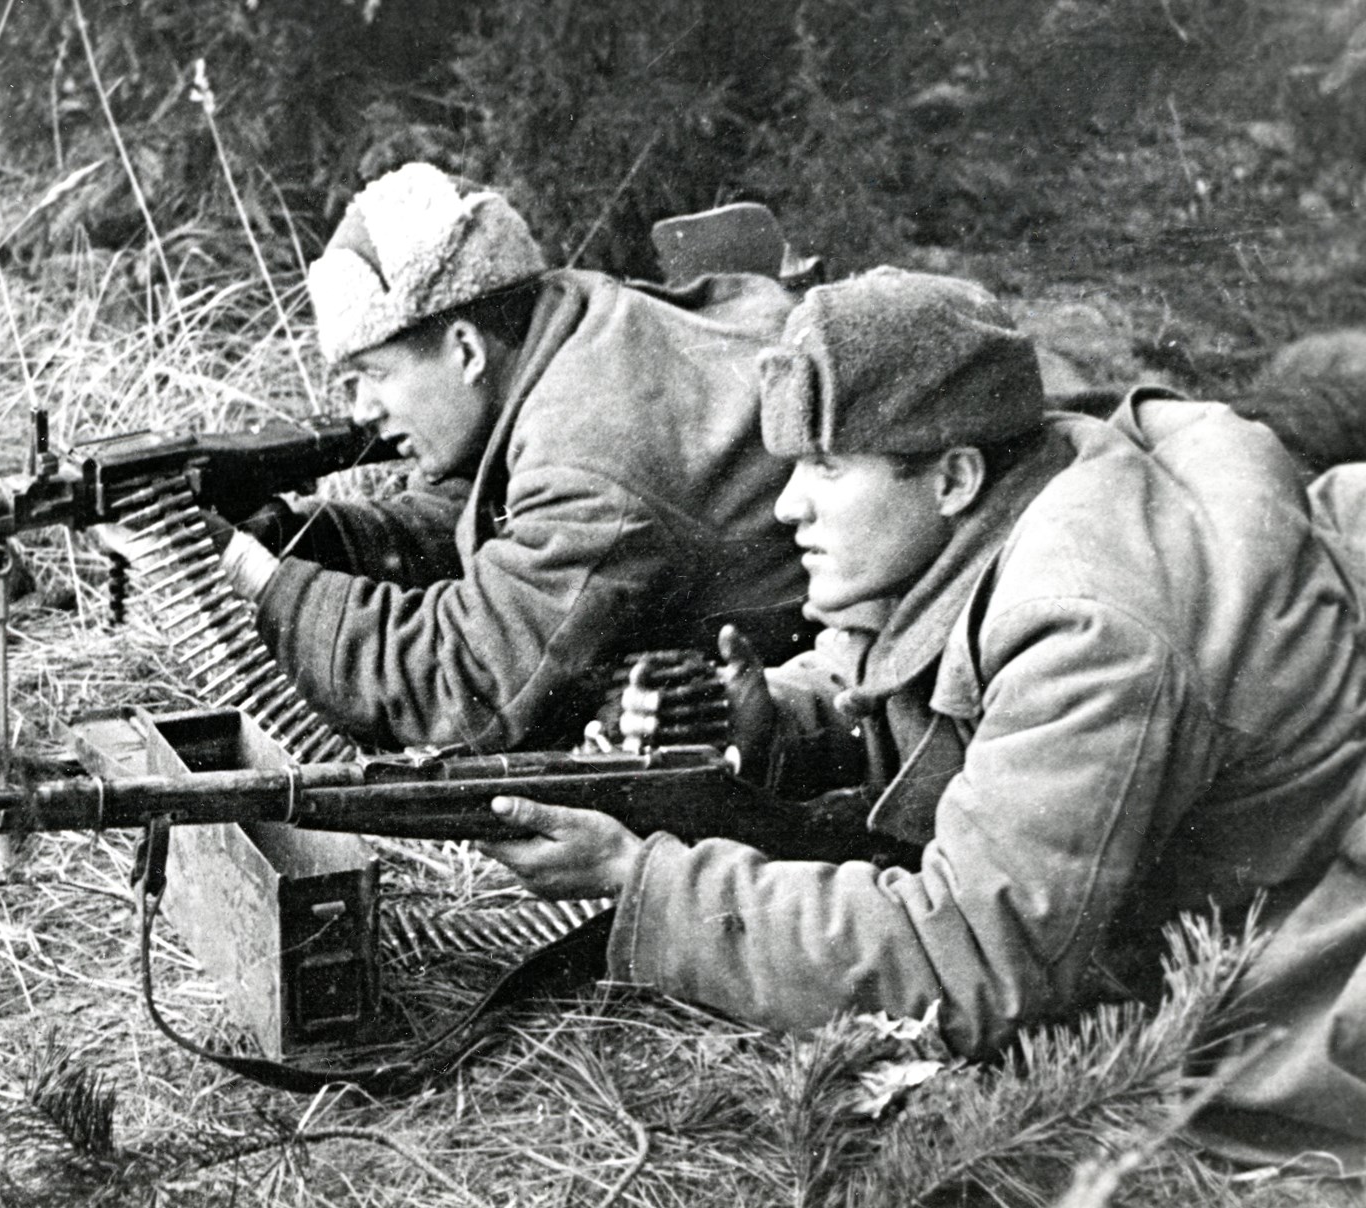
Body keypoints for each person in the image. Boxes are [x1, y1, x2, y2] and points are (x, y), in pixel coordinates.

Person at [477, 266, 1366, 1170]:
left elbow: (972, 964)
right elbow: (924, 657)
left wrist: (645, 883)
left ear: (952, 477)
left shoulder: (1093, 626)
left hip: (1316, 944)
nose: (788, 504)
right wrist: (775, 722)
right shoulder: (1016, 490)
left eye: (824, 467)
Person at [214, 162, 811, 752]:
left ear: (467, 350)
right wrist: (298, 537)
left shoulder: (588, 459)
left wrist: (257, 578)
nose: (362, 410)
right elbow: (491, 521)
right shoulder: (571, 323)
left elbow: (462, 684)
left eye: (375, 374)